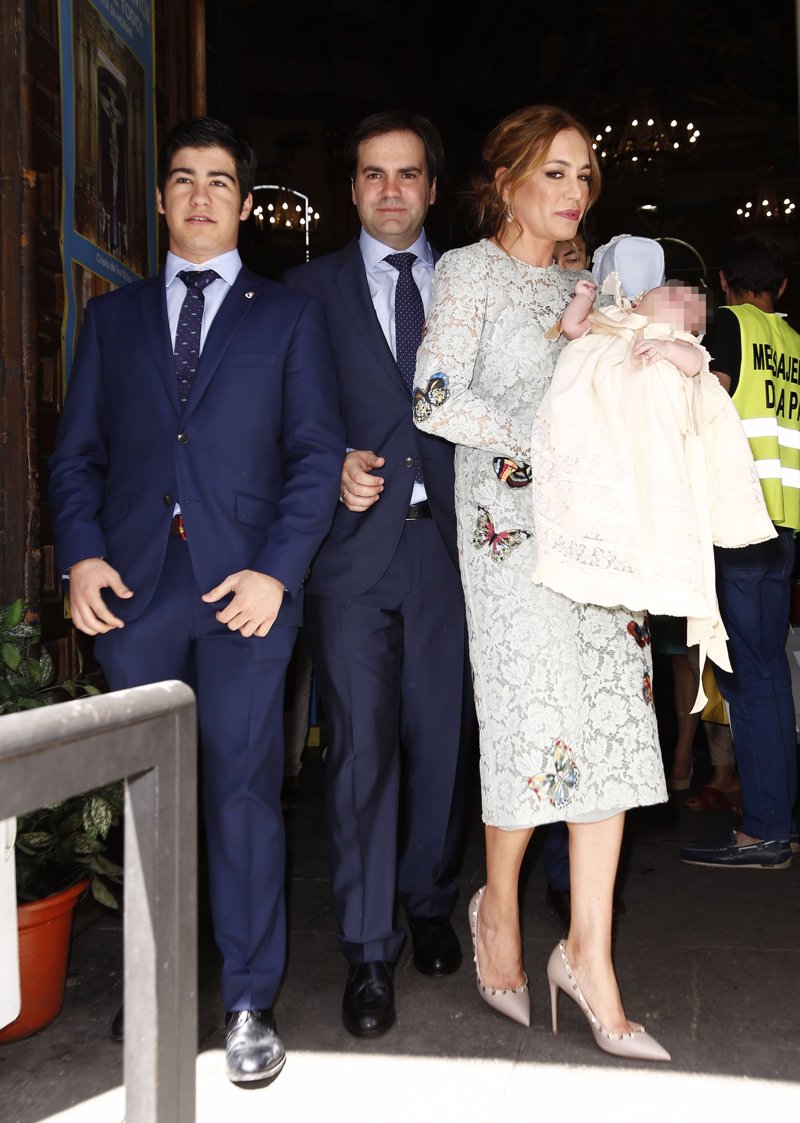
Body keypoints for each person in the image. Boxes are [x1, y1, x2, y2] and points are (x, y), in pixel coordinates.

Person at [47, 116, 345, 1084]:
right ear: (161, 198)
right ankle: (157, 980)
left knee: (245, 790)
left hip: (244, 592)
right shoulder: (113, 320)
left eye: (220, 181)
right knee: (149, 797)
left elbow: (315, 457)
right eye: (183, 179)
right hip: (135, 593)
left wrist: (277, 572)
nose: (201, 195)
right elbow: (77, 457)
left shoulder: (287, 317)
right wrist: (81, 558)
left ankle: (250, 998)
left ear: (245, 204)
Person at [413, 103, 670, 1061]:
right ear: (508, 180)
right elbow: (433, 395)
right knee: (531, 727)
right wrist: (544, 438)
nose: (573, 191)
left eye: (584, 175)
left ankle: (589, 956)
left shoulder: (592, 284)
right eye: (555, 172)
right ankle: (497, 907)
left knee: (609, 725)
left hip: (598, 538)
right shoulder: (467, 272)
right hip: (509, 541)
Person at [284, 111, 474, 1038]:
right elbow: (282, 416)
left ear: (432, 188)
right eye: (372, 174)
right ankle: (367, 946)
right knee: (361, 749)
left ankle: (430, 899)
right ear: (352, 188)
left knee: (442, 739)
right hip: (351, 553)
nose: (390, 190)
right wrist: (329, 469)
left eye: (407, 174)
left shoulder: (473, 283)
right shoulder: (302, 292)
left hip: (453, 550)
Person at [530, 233, 775, 705]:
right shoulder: (611, 321)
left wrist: (664, 349)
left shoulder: (676, 341)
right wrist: (582, 298)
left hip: (639, 440)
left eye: (671, 297)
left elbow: (696, 363)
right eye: (660, 292)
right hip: (596, 428)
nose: (656, 295)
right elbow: (573, 329)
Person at [680, 230, 800, 869]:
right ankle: (779, 819)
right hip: (784, 527)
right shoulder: (794, 342)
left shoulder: (729, 325)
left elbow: (708, 392)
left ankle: (763, 831)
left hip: (736, 522)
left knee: (746, 681)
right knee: (770, 676)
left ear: (724, 282)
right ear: (781, 286)